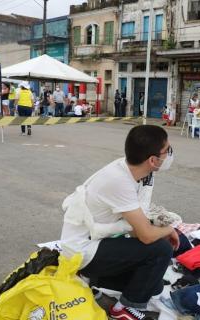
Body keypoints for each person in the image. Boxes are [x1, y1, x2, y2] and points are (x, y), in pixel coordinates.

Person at [60, 125, 178, 320]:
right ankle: (124, 309)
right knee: (161, 250)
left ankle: (94, 280)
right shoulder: (119, 180)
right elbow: (146, 236)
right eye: (167, 151)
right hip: (83, 250)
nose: (170, 155)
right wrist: (169, 229)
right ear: (153, 160)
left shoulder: (140, 173)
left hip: (100, 240)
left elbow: (136, 224)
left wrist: (158, 230)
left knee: (154, 285)